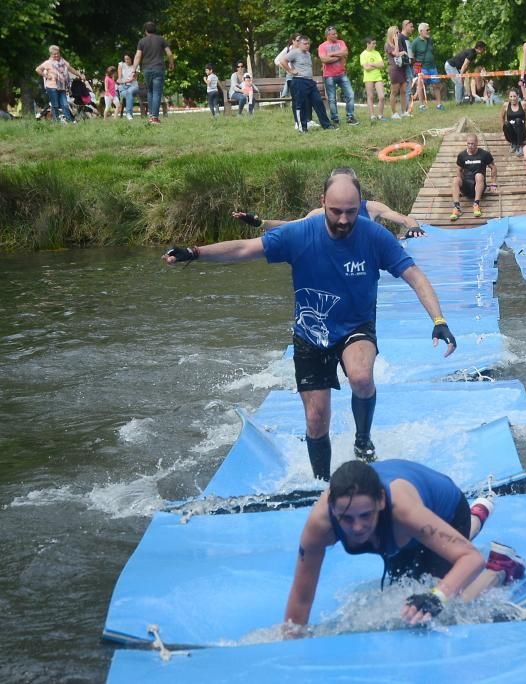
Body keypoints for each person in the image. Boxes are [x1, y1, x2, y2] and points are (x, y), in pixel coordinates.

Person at [163, 169, 456, 474]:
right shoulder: (300, 233)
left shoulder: (374, 236)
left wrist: (438, 319)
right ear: (322, 203)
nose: (344, 220)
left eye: (351, 212)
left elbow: (415, 275)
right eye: (336, 212)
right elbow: (243, 248)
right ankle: (322, 484)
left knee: (361, 377)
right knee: (316, 422)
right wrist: (195, 252)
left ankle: (363, 439)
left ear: (360, 205)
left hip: (356, 326)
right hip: (310, 334)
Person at [283, 459, 526, 631]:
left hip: (446, 512)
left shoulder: (403, 511)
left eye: (365, 516)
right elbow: (302, 597)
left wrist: (438, 596)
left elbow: (471, 558)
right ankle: (479, 514)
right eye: (346, 519)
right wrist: (290, 647)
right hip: (415, 524)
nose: (357, 528)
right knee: (405, 598)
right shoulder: (319, 526)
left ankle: (500, 568)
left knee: (437, 612)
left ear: (380, 501)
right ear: (333, 508)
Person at [232, 171, 427, 239]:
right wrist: (259, 222)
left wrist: (414, 227)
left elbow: (405, 219)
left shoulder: (371, 207)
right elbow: (291, 226)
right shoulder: (319, 213)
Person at [280, 34, 334, 132]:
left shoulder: (308, 54)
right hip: (299, 81)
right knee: (301, 105)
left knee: (318, 102)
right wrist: (290, 70)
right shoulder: (294, 52)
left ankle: (327, 125)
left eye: (308, 43)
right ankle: (302, 127)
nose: (307, 45)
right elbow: (282, 60)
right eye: (305, 44)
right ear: (299, 44)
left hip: (310, 82)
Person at [134, 21, 175, 124]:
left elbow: (138, 56)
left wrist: (134, 69)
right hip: (158, 68)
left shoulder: (142, 41)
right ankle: (155, 118)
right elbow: (169, 54)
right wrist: (171, 64)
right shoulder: (161, 39)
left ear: (145, 31)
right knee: (157, 92)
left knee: (150, 91)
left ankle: (151, 116)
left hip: (147, 69)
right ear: (155, 29)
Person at [318, 26, 359, 127]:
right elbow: (324, 60)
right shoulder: (322, 46)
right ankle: (335, 119)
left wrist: (331, 54)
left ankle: (350, 117)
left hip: (342, 73)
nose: (336, 35)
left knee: (350, 94)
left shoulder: (341, 42)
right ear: (328, 35)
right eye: (333, 34)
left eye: (336, 33)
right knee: (332, 99)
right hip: (329, 75)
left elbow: (345, 52)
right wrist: (338, 57)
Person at [450, 134, 496, 221]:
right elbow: (459, 170)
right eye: (469, 144)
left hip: (479, 185)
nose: (470, 146)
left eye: (473, 144)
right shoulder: (462, 155)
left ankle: (476, 204)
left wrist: (493, 183)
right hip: (466, 186)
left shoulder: (484, 154)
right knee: (455, 179)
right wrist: (459, 187)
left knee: (478, 175)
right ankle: (457, 207)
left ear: (477, 143)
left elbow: (493, 167)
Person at [36, 45, 85, 123]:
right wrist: (46, 76)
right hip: (51, 87)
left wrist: (79, 75)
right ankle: (56, 122)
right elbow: (38, 69)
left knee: (65, 105)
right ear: (50, 54)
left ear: (59, 53)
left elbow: (70, 69)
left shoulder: (63, 62)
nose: (56, 55)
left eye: (57, 53)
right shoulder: (48, 63)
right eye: (54, 54)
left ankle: (70, 121)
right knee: (55, 105)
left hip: (62, 87)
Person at [411, 23, 444, 111]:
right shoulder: (415, 42)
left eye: (429, 30)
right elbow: (412, 56)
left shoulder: (430, 40)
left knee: (436, 85)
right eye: (427, 30)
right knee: (421, 85)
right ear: (421, 31)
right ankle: (421, 105)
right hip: (423, 67)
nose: (429, 31)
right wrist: (417, 68)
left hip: (433, 67)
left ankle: (439, 104)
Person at [360, 37, 386, 122]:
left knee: (381, 96)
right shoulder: (363, 54)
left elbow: (382, 65)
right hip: (368, 78)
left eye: (375, 43)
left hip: (378, 77)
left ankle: (380, 115)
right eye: (373, 43)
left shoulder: (377, 53)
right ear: (368, 44)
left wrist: (371, 64)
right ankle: (372, 116)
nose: (375, 45)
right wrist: (376, 65)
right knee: (370, 96)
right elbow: (366, 68)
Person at [385, 25, 407, 120]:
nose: (398, 35)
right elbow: (396, 53)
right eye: (396, 33)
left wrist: (401, 52)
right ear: (391, 34)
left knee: (403, 90)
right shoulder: (388, 45)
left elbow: (404, 53)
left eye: (398, 33)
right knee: (394, 91)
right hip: (394, 69)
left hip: (402, 68)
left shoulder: (399, 44)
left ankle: (403, 111)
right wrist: (397, 42)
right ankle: (394, 113)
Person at [500, 89, 526, 154]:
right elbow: (501, 117)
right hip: (510, 134)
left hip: (521, 133)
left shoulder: (523, 104)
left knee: (518, 120)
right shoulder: (505, 105)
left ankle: (519, 145)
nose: (513, 98)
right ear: (508, 97)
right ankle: (513, 143)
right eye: (511, 96)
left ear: (518, 96)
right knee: (506, 123)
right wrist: (503, 130)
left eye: (514, 96)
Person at [400, 20, 417, 113]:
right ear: (405, 26)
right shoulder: (400, 38)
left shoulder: (407, 39)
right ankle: (404, 111)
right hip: (405, 67)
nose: (412, 29)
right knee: (406, 89)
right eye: (411, 26)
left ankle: (405, 110)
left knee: (408, 89)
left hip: (409, 66)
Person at [117, 54, 139, 119]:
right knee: (128, 93)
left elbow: (133, 79)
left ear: (131, 59)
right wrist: (124, 81)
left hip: (133, 86)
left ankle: (128, 113)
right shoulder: (121, 65)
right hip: (123, 88)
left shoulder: (135, 66)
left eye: (128, 59)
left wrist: (124, 81)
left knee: (129, 92)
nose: (126, 60)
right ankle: (130, 115)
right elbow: (119, 79)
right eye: (125, 59)